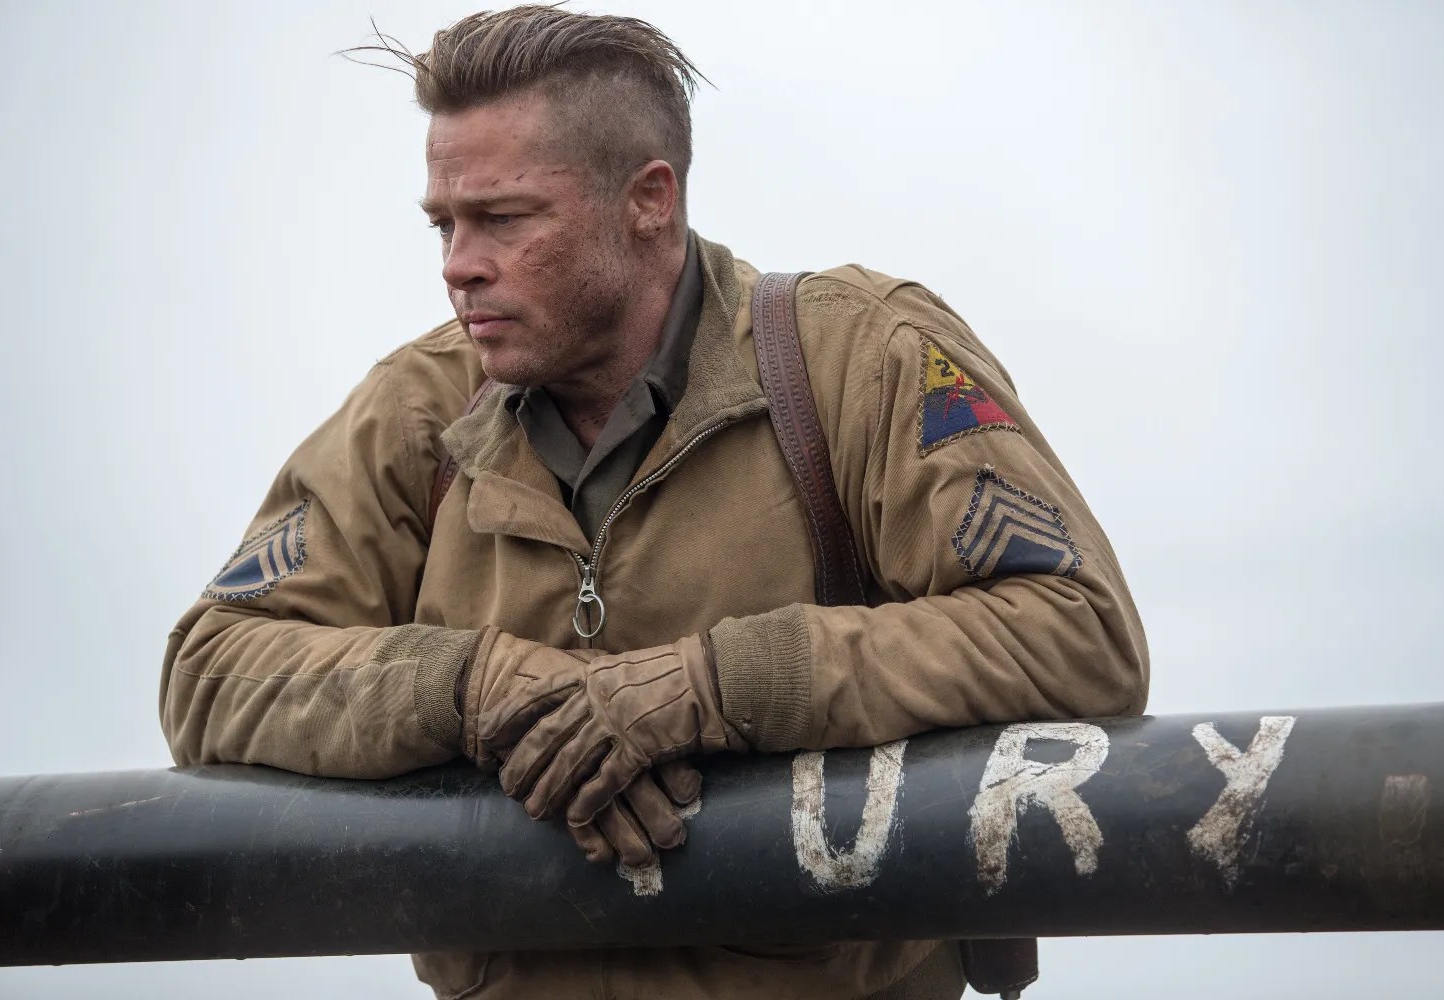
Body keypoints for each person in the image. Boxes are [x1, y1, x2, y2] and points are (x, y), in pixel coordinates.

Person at [160, 6, 1148, 998]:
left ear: (649, 200)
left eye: (504, 218)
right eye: (445, 223)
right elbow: (211, 668)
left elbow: (1078, 630)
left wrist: (715, 688)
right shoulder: (416, 413)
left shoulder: (858, 358)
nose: (458, 262)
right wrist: (472, 687)